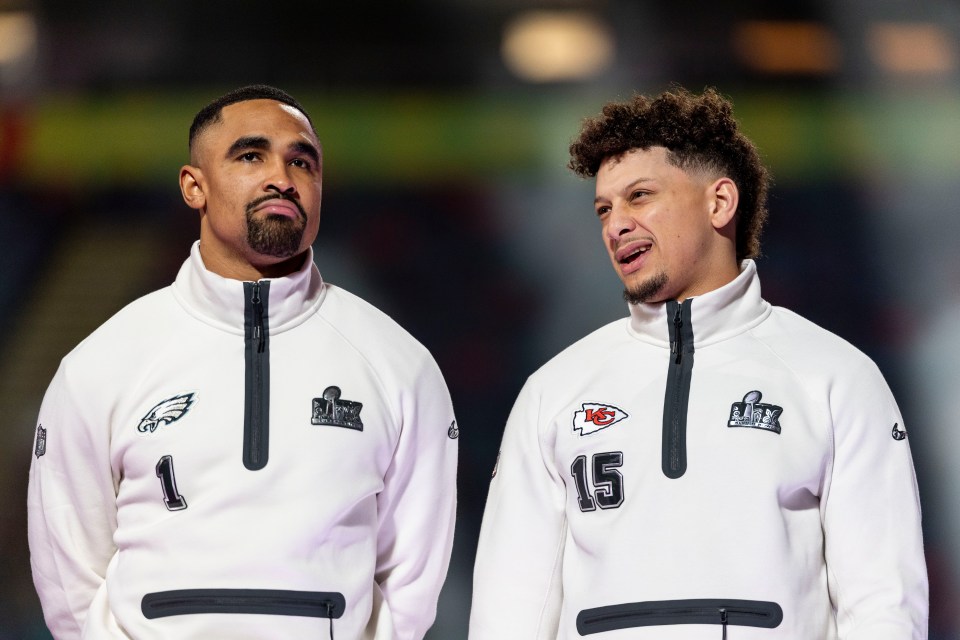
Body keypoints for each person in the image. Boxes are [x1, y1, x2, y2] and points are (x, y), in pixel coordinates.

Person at [469, 87, 927, 639]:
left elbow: (883, 602)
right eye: (604, 209)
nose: (616, 225)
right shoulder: (554, 390)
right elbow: (510, 604)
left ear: (720, 202)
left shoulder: (835, 377)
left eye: (640, 196)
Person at [28, 85, 459, 640]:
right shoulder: (103, 361)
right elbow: (69, 574)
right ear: (193, 186)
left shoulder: (398, 363)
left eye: (301, 161)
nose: (282, 176)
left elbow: (413, 577)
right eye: (251, 155)